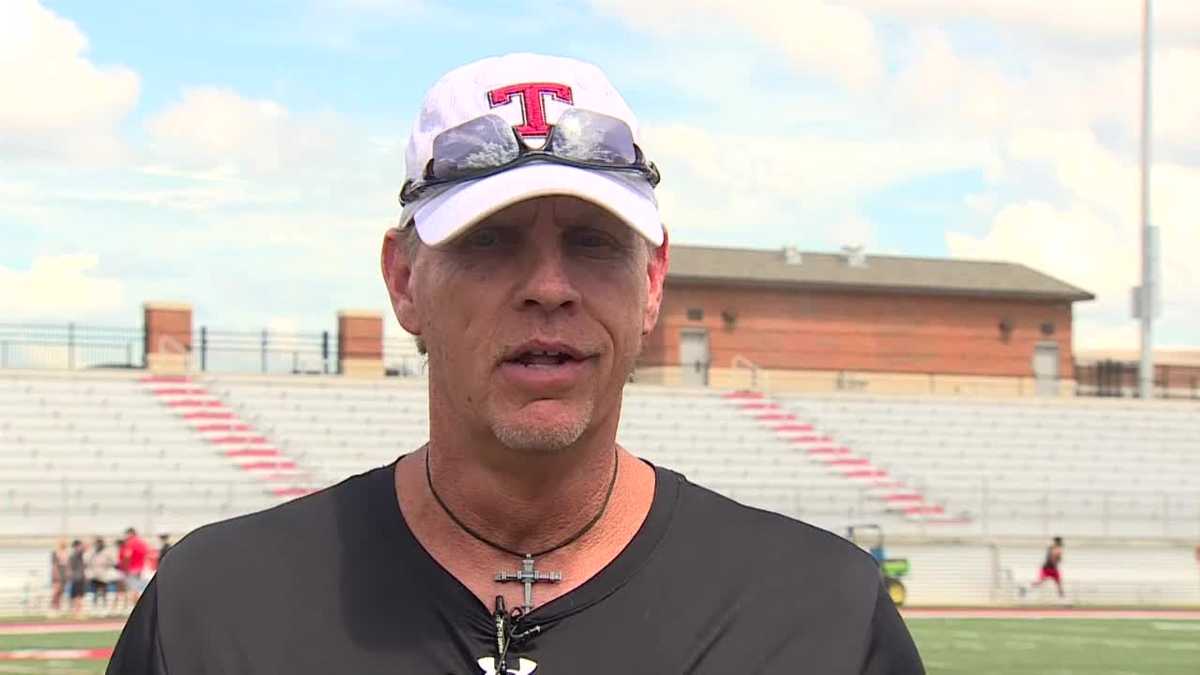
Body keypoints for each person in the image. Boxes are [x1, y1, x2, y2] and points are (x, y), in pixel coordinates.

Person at [109, 53, 924, 674]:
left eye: (593, 241)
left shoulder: (822, 616)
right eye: (488, 241)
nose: (547, 288)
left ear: (652, 282)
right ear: (404, 280)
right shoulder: (216, 609)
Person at [119, 527, 150, 605]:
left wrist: (125, 569)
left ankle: (136, 607)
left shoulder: (130, 543)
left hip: (132, 569)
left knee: (132, 590)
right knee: (138, 589)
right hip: (141, 569)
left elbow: (127, 556)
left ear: (130, 533)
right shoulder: (142, 543)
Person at [67, 539, 87, 618]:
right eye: (80, 545)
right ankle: (77, 612)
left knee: (79, 595)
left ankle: (77, 611)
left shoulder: (76, 555)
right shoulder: (75, 554)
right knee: (77, 596)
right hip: (77, 578)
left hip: (79, 577)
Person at [48, 539, 68, 616]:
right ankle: (52, 608)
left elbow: (67, 565)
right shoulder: (55, 552)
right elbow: (54, 565)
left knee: (61, 592)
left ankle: (58, 608)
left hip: (64, 574)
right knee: (55, 592)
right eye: (62, 543)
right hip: (57, 574)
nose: (63, 544)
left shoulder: (66, 553)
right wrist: (56, 574)